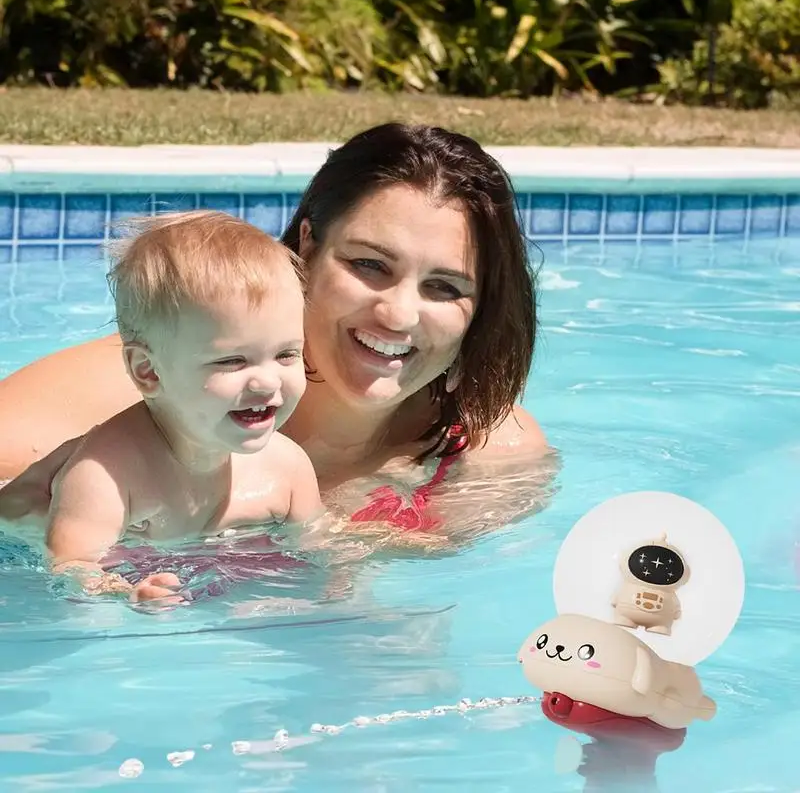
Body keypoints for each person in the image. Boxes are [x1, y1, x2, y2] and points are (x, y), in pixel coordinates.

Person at [0, 122, 554, 552]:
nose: (399, 314)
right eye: (369, 264)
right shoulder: (145, 392)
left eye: (444, 287)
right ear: (307, 248)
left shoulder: (487, 454)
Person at [25, 210, 323, 602]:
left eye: (286, 354)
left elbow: (324, 552)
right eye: (231, 361)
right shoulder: (106, 476)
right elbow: (70, 570)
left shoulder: (289, 468)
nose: (268, 381)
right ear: (148, 371)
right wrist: (123, 593)